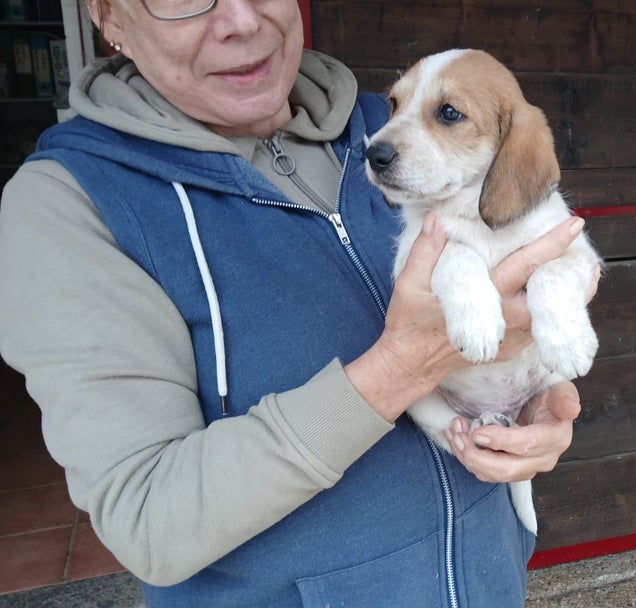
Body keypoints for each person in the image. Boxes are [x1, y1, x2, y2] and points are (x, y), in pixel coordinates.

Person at [0, 0, 593, 606]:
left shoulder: (382, 131)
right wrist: (400, 368)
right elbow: (148, 523)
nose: (240, 19)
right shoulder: (70, 203)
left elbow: (518, 284)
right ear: (108, 17)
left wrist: (530, 403)